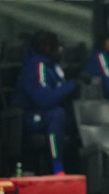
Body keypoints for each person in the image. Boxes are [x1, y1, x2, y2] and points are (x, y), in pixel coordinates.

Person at [11, 31, 76, 175]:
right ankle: (57, 168)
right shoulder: (35, 66)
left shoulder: (54, 67)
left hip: (43, 113)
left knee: (75, 116)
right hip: (27, 117)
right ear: (47, 48)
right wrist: (72, 85)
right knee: (56, 114)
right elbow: (44, 100)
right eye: (57, 46)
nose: (61, 50)